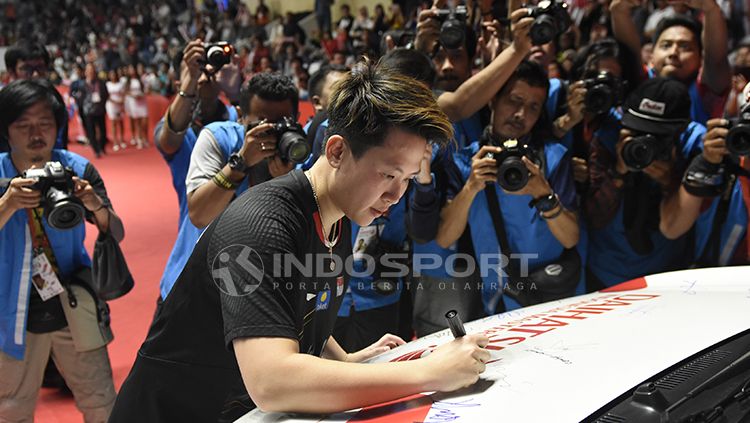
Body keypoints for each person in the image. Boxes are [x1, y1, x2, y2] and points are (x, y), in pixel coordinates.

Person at [109, 60, 489, 422]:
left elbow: (293, 310)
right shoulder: (262, 224)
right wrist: (430, 372)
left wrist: (346, 361)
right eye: (388, 174)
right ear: (337, 150)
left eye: (406, 178)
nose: (396, 195)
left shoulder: (336, 214)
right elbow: (272, 382)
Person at [0, 79, 123, 422]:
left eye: (45, 124)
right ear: (6, 131)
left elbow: (116, 231)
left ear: (58, 127)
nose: (35, 135)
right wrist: (8, 203)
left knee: (102, 404)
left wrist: (92, 203)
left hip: (74, 300)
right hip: (9, 310)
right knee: (10, 409)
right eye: (23, 126)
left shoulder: (76, 169)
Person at [436, 60, 581, 314]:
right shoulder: (466, 161)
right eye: (514, 100)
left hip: (550, 297)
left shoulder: (553, 157)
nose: (521, 114)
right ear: (492, 99)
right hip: (496, 303)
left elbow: (571, 238)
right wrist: (471, 187)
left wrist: (543, 193)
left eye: (533, 107)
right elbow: (445, 237)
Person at [585, 77, 706, 288]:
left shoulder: (694, 145)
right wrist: (618, 171)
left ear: (680, 132)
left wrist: (670, 182)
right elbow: (593, 217)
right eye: (638, 132)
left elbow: (679, 225)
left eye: (659, 137)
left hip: (667, 278)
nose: (645, 144)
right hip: (603, 273)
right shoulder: (609, 134)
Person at [611, 0, 731, 125]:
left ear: (701, 58)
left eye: (685, 47)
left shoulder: (705, 89)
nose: (673, 53)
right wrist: (619, 10)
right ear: (651, 55)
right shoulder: (642, 81)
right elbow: (629, 54)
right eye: (666, 45)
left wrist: (711, 10)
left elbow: (716, 59)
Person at [71, 63, 109, 158]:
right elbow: (76, 95)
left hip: (100, 109)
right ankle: (96, 150)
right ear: (86, 72)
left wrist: (102, 103)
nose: (90, 72)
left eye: (92, 70)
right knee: (91, 131)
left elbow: (105, 94)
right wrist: (81, 103)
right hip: (88, 110)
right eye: (88, 70)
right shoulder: (81, 84)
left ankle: (102, 147)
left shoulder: (100, 82)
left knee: (103, 130)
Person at [124, 64, 149, 149]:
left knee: (144, 122)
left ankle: (145, 138)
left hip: (142, 101)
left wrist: (141, 95)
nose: (132, 71)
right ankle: (139, 139)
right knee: (137, 122)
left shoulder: (141, 79)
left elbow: (146, 89)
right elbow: (126, 91)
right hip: (133, 102)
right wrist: (133, 95)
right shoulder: (128, 81)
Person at [105, 69, 127, 152]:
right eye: (111, 75)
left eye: (114, 74)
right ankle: (115, 142)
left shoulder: (120, 84)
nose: (113, 76)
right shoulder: (108, 84)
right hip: (111, 105)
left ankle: (122, 140)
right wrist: (114, 101)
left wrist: (121, 103)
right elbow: (107, 95)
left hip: (119, 104)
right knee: (113, 122)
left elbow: (123, 94)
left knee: (120, 122)